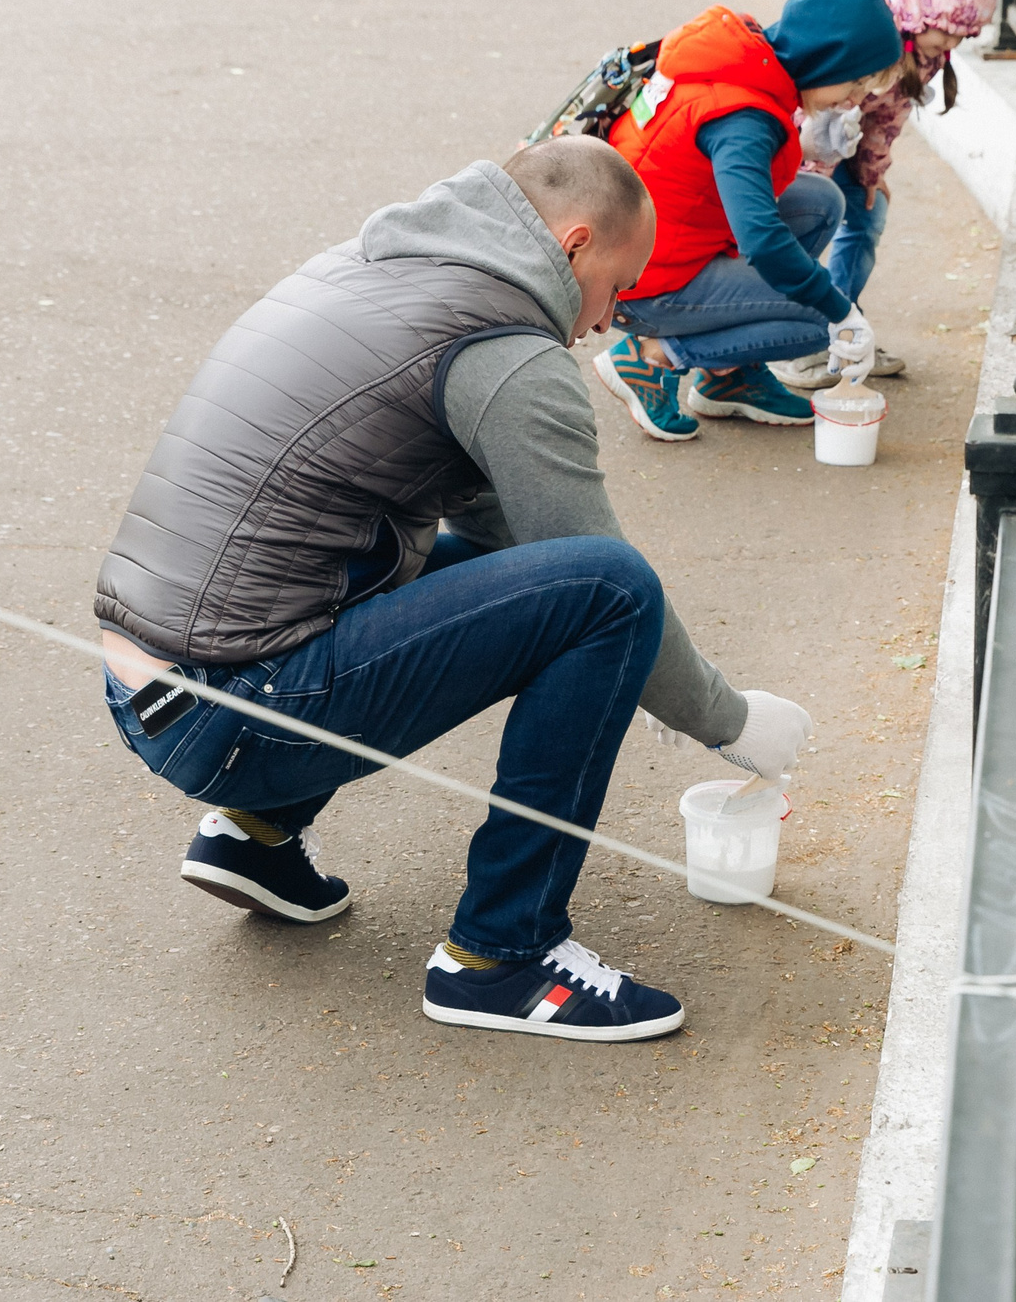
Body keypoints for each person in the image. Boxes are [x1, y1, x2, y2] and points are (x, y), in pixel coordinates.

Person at [94, 138, 812, 1042]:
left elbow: (517, 550)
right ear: (577, 244)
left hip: (152, 684)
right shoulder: (507, 350)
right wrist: (726, 716)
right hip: (238, 711)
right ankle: (503, 957)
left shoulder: (381, 266)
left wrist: (659, 677)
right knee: (614, 590)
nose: (608, 320)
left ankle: (258, 835)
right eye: (618, 287)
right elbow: (596, 574)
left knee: (529, 579)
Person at [592, 0, 905, 442]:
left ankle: (727, 376)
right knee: (821, 325)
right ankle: (651, 355)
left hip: (655, 238)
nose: (856, 101)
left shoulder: (741, 55)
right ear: (829, 60)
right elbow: (760, 239)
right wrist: (840, 310)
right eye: (858, 84)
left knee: (821, 202)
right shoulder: (744, 118)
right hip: (640, 281)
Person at [772, 0, 1003, 393]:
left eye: (963, 35)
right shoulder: (873, 41)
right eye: (947, 30)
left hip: (845, 153)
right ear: (921, 8)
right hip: (801, 154)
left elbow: (887, 118)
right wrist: (813, 184)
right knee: (813, 225)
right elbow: (820, 116)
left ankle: (843, 329)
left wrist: (870, 174)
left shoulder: (926, 50)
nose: (952, 43)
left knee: (869, 214)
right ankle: (795, 345)